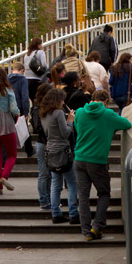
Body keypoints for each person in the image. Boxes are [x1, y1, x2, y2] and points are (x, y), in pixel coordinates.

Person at [74, 89, 132, 241]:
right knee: (104, 193)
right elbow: (127, 124)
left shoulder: (80, 112)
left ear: (92, 98)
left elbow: (76, 126)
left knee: (83, 197)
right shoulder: (108, 114)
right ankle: (97, 226)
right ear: (106, 102)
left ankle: (86, 231)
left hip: (79, 159)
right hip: (97, 160)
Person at [40, 88, 80, 224]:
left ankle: (56, 213)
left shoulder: (44, 114)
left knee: (56, 185)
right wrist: (70, 120)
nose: (64, 102)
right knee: (72, 183)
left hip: (50, 150)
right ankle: (73, 213)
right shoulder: (58, 113)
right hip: (63, 150)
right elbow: (65, 133)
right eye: (62, 99)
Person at [30, 83, 53, 210]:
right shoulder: (37, 109)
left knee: (47, 173)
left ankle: (47, 198)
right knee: (44, 173)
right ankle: (44, 199)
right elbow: (38, 128)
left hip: (45, 141)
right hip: (43, 142)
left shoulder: (45, 108)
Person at [8, 62, 34, 157]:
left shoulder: (7, 79)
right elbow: (24, 96)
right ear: (22, 70)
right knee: (23, 128)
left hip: (9, 108)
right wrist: (26, 111)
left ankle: (10, 151)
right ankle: (29, 150)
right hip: (20, 107)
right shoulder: (22, 79)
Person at [24, 37, 47, 102]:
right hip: (36, 79)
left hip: (27, 79)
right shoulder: (40, 52)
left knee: (32, 99)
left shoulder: (27, 54)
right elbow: (44, 65)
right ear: (38, 45)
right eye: (41, 44)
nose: (41, 45)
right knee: (38, 99)